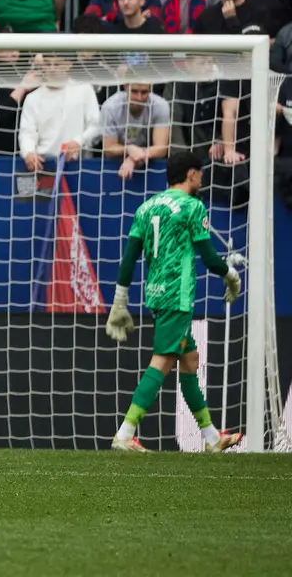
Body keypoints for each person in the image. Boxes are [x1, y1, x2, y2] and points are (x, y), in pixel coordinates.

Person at [105, 151, 243, 453]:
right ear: (192, 174)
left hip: (155, 293)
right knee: (163, 360)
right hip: (177, 297)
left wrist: (120, 300)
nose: (202, 179)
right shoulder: (192, 207)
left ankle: (211, 439)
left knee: (190, 361)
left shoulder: (146, 207)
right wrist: (230, 273)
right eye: (201, 173)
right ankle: (125, 434)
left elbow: (129, 259)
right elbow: (207, 257)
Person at [100, 83, 170, 180]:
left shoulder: (160, 105)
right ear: (126, 87)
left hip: (150, 166)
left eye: (144, 92)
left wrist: (133, 158)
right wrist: (128, 149)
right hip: (116, 166)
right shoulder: (110, 107)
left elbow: (161, 149)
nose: (139, 98)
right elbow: (108, 148)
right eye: (134, 91)